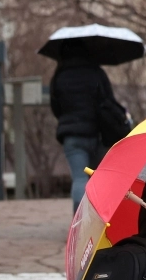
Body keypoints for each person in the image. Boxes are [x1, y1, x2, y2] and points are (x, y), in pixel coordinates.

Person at [49, 47, 130, 211]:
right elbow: (108, 101)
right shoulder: (96, 73)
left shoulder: (60, 75)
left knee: (79, 178)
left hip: (71, 136)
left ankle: (77, 223)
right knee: (98, 179)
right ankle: (97, 220)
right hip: (96, 134)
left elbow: (55, 106)